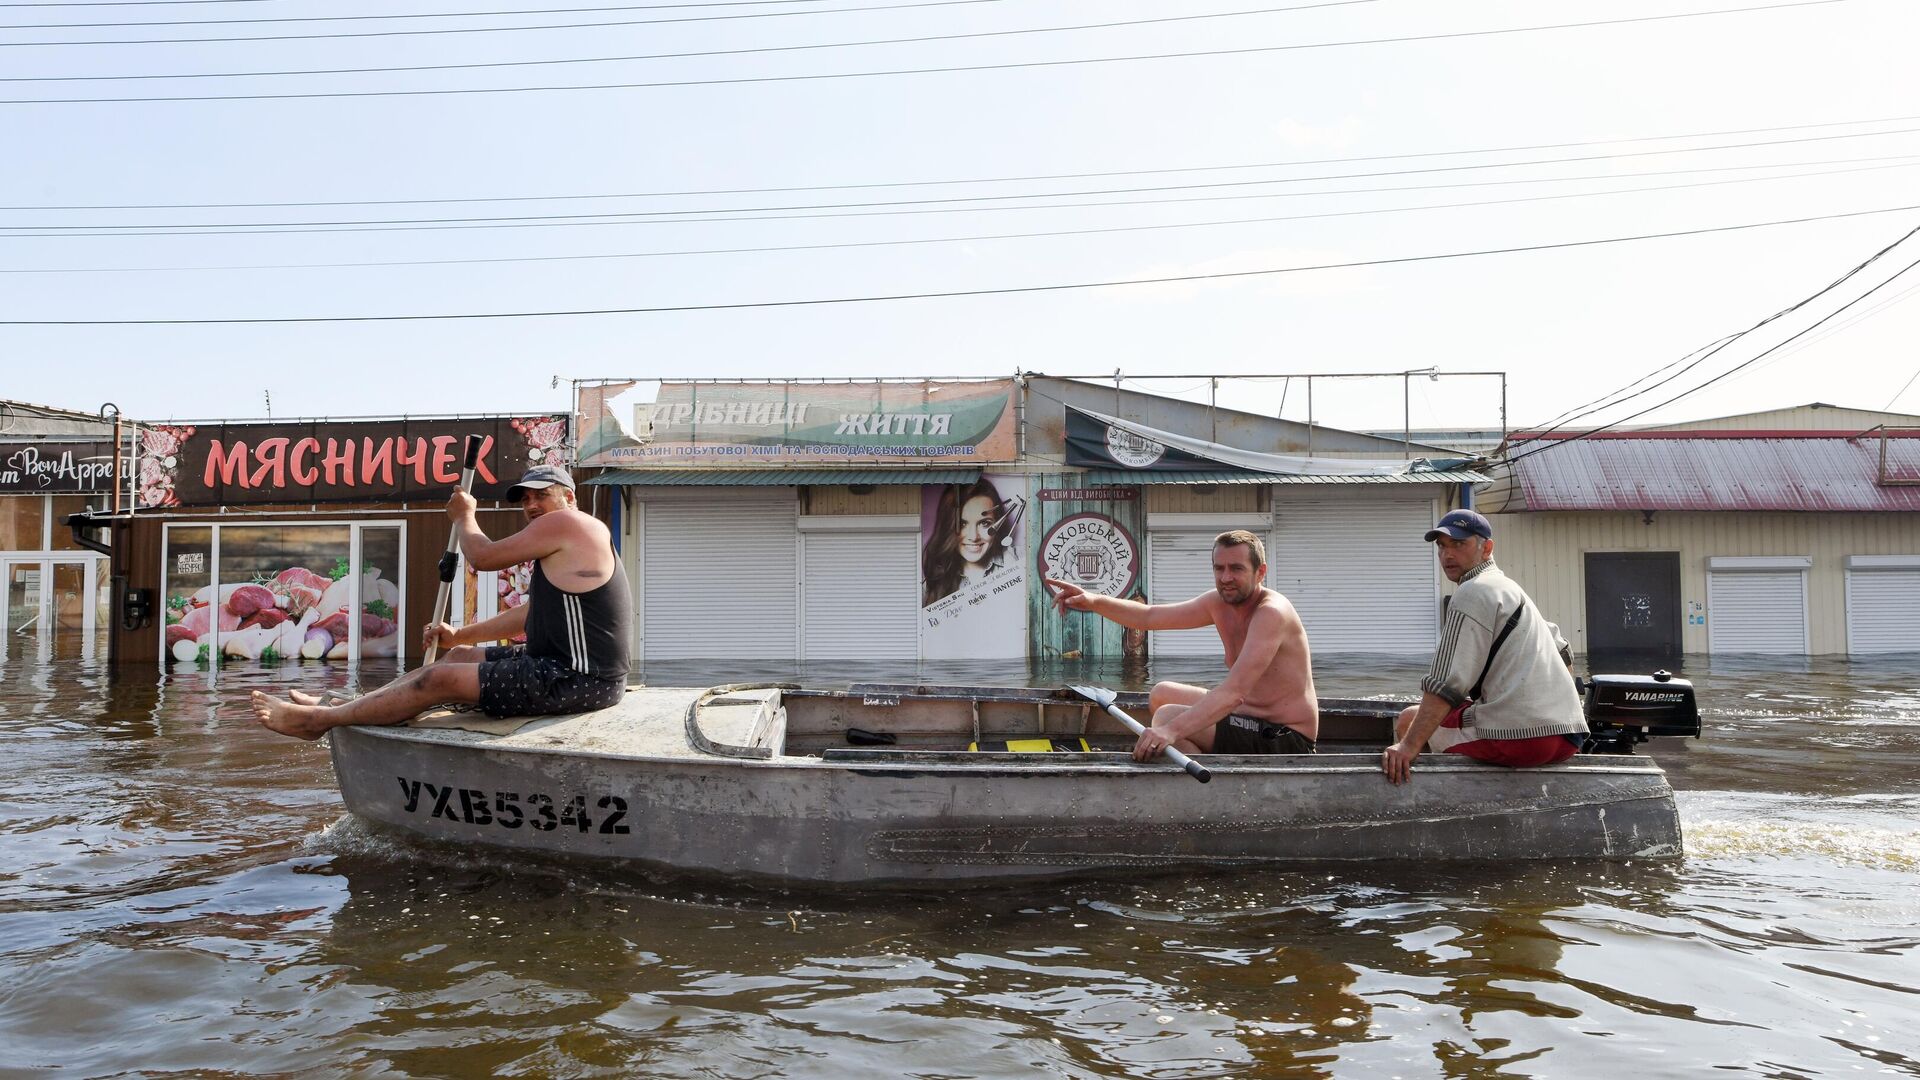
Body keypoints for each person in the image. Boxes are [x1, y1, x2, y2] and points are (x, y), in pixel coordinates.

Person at [250, 465, 633, 740]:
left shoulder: (569, 522)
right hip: (557, 667)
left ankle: (320, 720)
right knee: (457, 658)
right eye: (526, 499)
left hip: (577, 680)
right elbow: (531, 614)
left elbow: (482, 558)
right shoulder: (569, 544)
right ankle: (350, 707)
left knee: (438, 678)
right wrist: (458, 636)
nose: (531, 505)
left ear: (569, 496)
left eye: (541, 495)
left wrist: (465, 516)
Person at [1044, 529, 1318, 761]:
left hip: (1285, 737)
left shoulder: (1272, 613)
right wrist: (1092, 600)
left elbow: (1233, 693)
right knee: (1161, 693)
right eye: (1219, 568)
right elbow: (1149, 616)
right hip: (1247, 715)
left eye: (1236, 569)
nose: (1225, 578)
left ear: (1261, 573)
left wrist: (1170, 731)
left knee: (1165, 718)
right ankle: (1199, 761)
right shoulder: (1218, 603)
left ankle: (1212, 785)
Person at [1382, 509, 1587, 784]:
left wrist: (1407, 747)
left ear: (1486, 547)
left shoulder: (1472, 592)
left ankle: (1442, 802)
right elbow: (1563, 649)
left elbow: (1445, 684)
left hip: (1523, 740)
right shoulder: (1510, 588)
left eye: (1459, 544)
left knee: (1409, 720)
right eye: (1442, 546)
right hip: (1568, 737)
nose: (1448, 555)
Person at [922, 478, 1015, 606]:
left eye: (984, 523)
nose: (973, 536)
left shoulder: (1018, 560)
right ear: (948, 526)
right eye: (962, 524)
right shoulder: (930, 583)